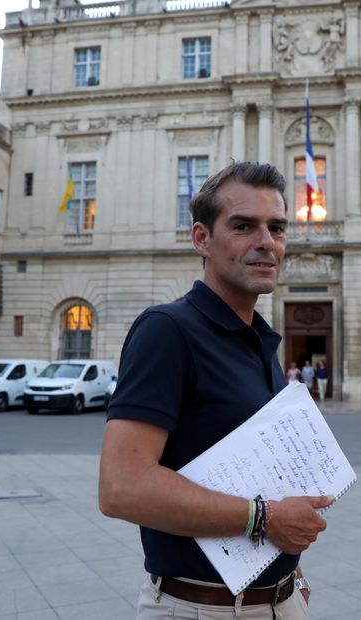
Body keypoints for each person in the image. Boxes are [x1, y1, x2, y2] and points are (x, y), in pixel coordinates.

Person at [99, 161, 333, 620]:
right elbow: (121, 488)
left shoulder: (260, 343)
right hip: (199, 608)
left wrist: (293, 576)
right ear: (202, 239)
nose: (266, 242)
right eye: (243, 226)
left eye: (277, 228)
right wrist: (264, 518)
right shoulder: (167, 330)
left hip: (279, 602)